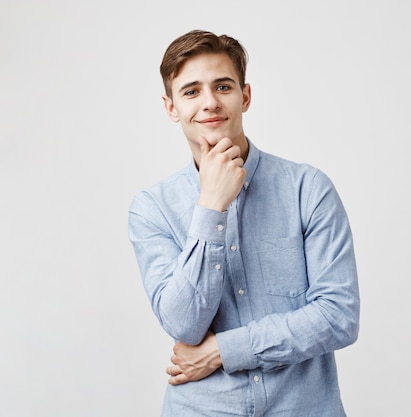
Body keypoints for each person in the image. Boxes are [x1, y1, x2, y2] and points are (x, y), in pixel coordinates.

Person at [127, 29, 360, 416]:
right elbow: (183, 324)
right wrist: (211, 206)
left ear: (245, 96)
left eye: (222, 86)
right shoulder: (151, 208)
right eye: (191, 92)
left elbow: (338, 316)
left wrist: (222, 351)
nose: (210, 103)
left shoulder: (307, 189)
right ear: (171, 108)